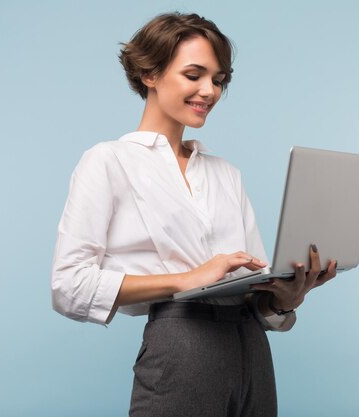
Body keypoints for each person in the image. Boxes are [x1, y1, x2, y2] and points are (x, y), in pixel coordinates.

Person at [51, 12, 337, 417]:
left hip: (253, 351)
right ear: (150, 73)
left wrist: (284, 300)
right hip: (182, 347)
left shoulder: (226, 174)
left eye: (218, 80)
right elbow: (69, 285)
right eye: (194, 75)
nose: (210, 91)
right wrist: (188, 279)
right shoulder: (108, 162)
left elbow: (255, 293)